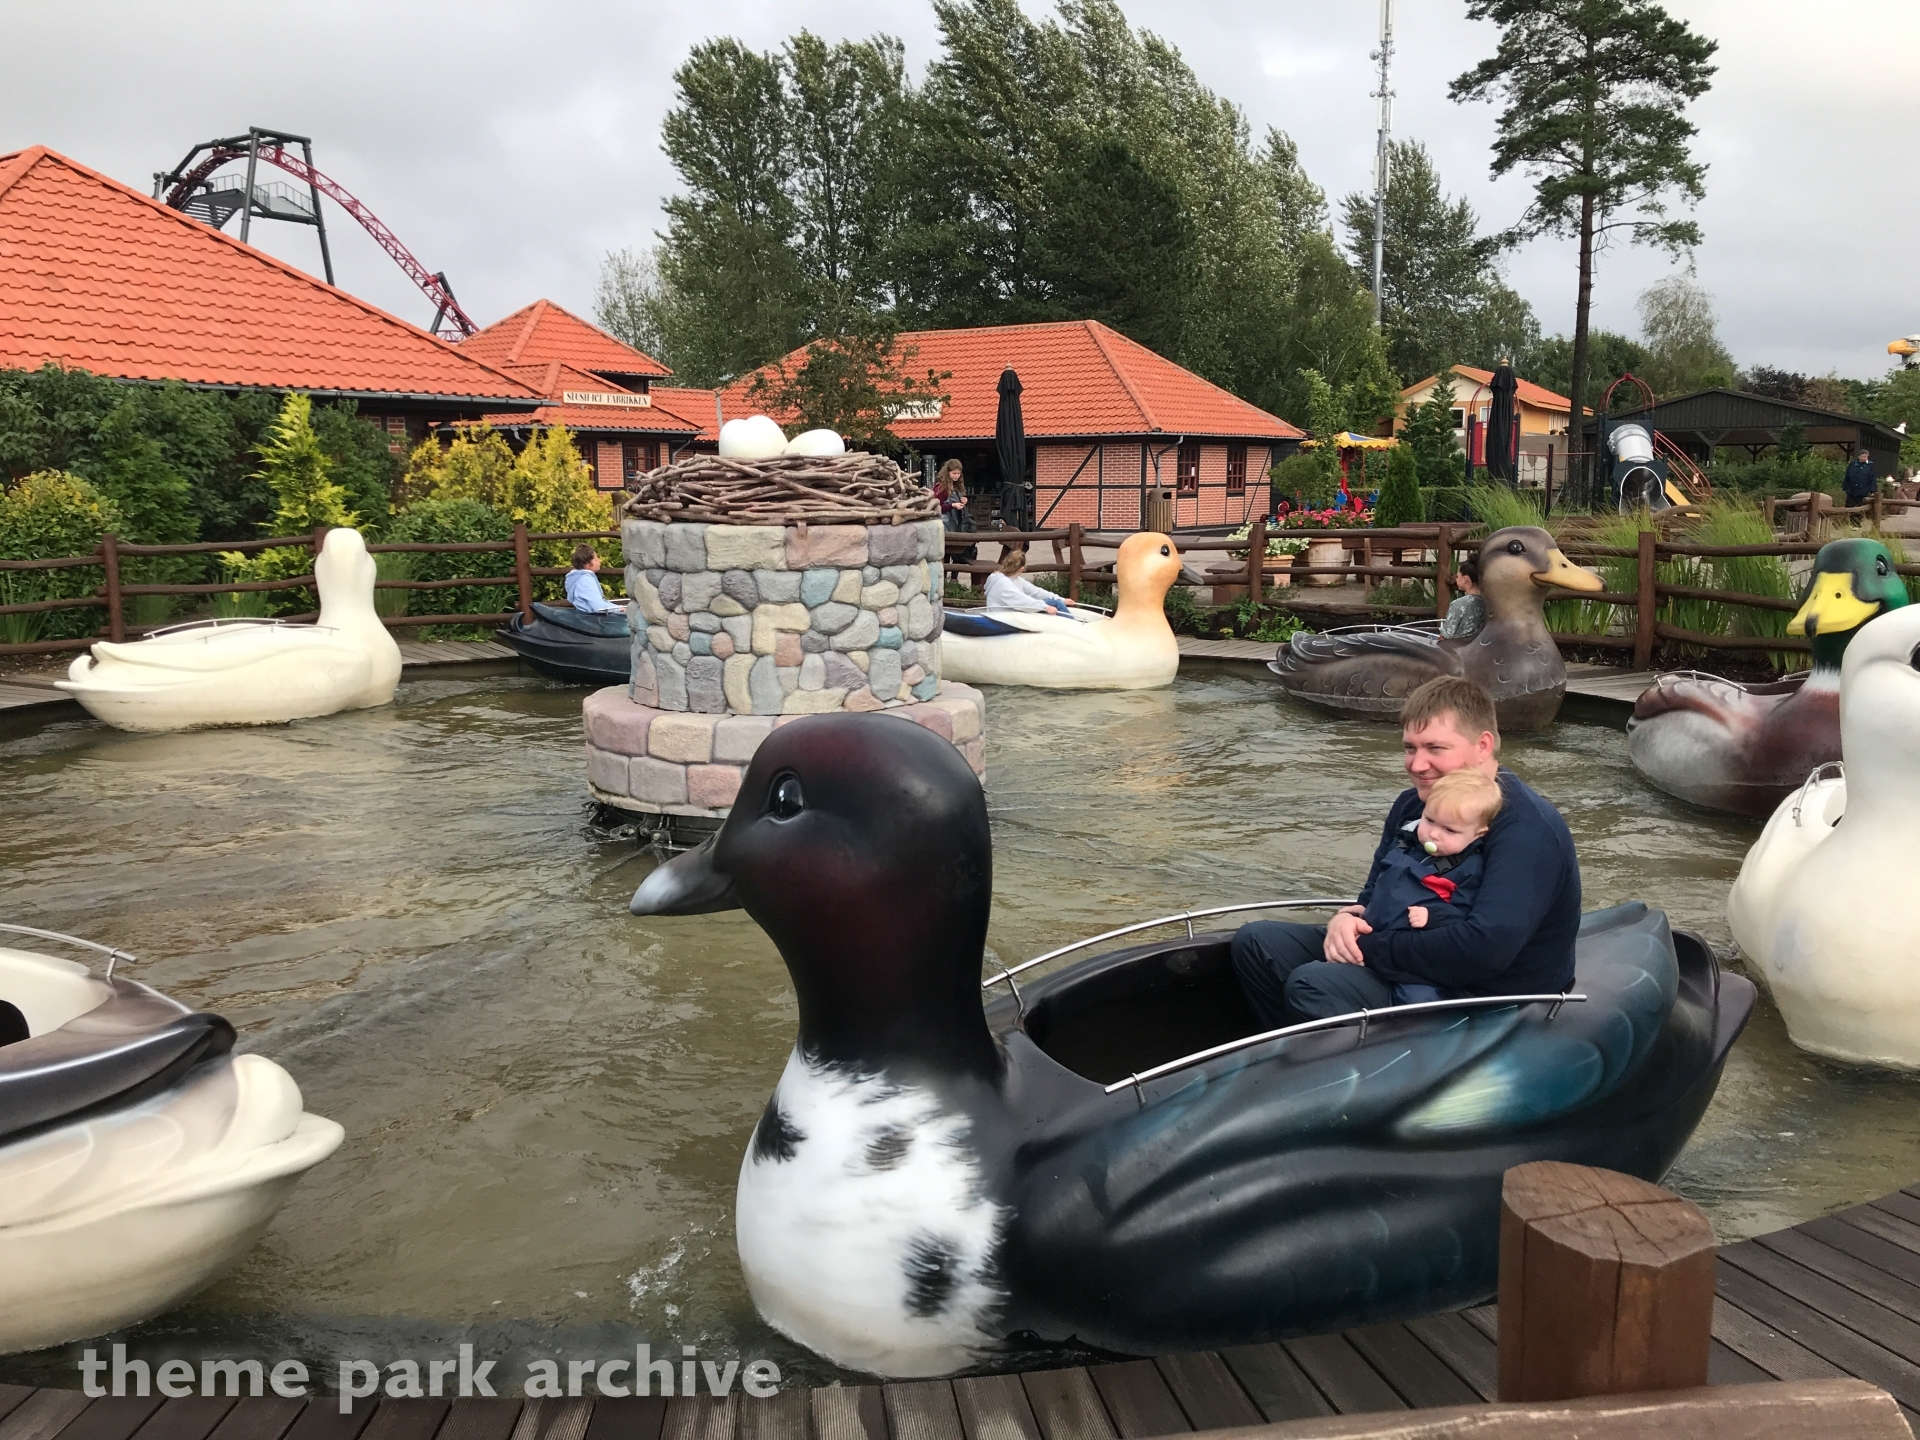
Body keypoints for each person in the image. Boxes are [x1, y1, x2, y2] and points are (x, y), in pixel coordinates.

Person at [1230, 675, 1581, 1026]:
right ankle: (1281, 1051)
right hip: (1399, 945)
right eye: (1410, 748)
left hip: (1483, 991)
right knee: (1257, 942)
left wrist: (1364, 950)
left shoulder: (1527, 830)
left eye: (1435, 748)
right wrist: (1345, 921)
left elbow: (1484, 950)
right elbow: (1372, 894)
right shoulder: (1412, 806)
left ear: (1483, 746)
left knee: (1313, 984)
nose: (1416, 764)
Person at [1358, 767, 1503, 1005]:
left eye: (1449, 830)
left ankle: (1422, 1026)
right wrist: (1360, 908)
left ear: (1478, 834)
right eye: (1429, 820)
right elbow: (1379, 880)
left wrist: (1433, 916)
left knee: (1416, 998)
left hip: (1413, 960)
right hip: (1375, 940)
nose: (1433, 834)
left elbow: (1465, 914)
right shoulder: (1406, 843)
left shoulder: (1469, 869)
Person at [984, 548, 1073, 616]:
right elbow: (1021, 600)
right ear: (1022, 568)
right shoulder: (1003, 583)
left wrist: (1061, 599)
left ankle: (1072, 623)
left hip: (1011, 613)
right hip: (1001, 617)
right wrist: (1044, 607)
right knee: (1055, 603)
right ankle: (1073, 626)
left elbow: (1036, 592)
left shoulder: (1015, 579)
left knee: (1057, 602)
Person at [565, 544, 622, 614]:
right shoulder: (585, 580)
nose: (599, 561)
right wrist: (618, 609)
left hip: (583, 615)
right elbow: (599, 606)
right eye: (596, 559)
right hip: (592, 617)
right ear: (587, 564)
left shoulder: (577, 578)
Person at [1439, 553, 1485, 639]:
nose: (1456, 579)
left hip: (1458, 646)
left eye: (1458, 576)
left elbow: (1445, 637)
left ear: (1464, 579)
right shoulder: (1488, 603)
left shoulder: (1459, 604)